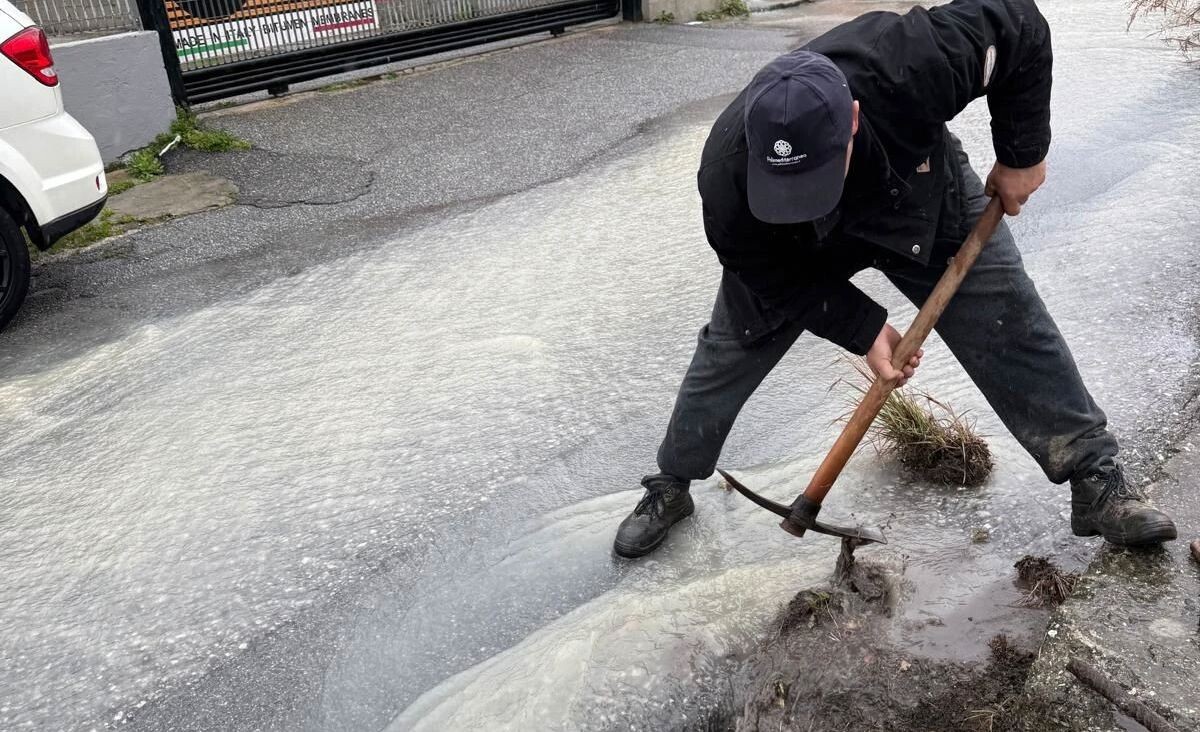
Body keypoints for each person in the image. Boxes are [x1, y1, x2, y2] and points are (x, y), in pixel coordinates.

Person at [613, 0, 1178, 558]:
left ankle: (1095, 478)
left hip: (919, 197)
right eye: (788, 184)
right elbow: (763, 271)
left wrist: (1021, 154)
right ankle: (670, 484)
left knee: (1006, 317)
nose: (807, 199)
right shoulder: (726, 174)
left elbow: (1019, 24)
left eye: (815, 178)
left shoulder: (912, 63)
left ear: (853, 120)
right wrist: (863, 328)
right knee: (732, 344)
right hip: (789, 247)